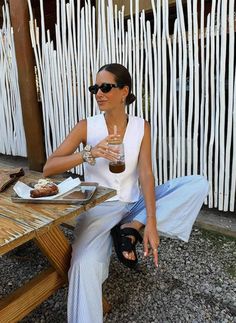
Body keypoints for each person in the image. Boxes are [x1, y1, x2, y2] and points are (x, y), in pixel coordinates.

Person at [43, 63, 209, 323]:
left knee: (197, 183)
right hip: (99, 209)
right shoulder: (87, 126)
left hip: (133, 205)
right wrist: (89, 153)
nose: (99, 93)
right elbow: (48, 168)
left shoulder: (142, 127)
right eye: (95, 88)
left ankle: (130, 227)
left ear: (124, 91)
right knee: (83, 267)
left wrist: (150, 221)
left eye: (106, 87)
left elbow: (145, 174)